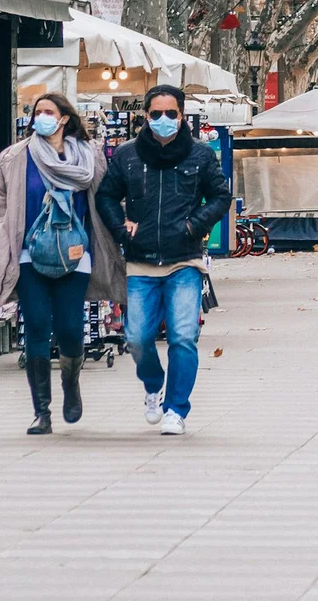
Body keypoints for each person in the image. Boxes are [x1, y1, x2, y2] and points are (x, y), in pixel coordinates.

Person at [0, 92, 124, 435]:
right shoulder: (16, 157)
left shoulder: (89, 157)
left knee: (70, 329)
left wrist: (120, 228)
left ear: (64, 118)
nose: (41, 117)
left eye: (48, 112)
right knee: (35, 326)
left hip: (76, 254)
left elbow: (104, 198)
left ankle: (71, 382)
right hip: (29, 255)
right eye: (37, 112)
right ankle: (41, 412)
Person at [96, 84, 231, 434]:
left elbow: (220, 196)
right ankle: (153, 385)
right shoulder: (127, 155)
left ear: (182, 116)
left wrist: (194, 225)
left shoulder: (200, 156)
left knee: (183, 336)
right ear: (145, 115)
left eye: (171, 113)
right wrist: (121, 228)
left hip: (184, 260)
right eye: (156, 113)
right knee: (138, 337)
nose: (163, 120)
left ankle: (176, 409)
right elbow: (106, 196)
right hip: (140, 262)